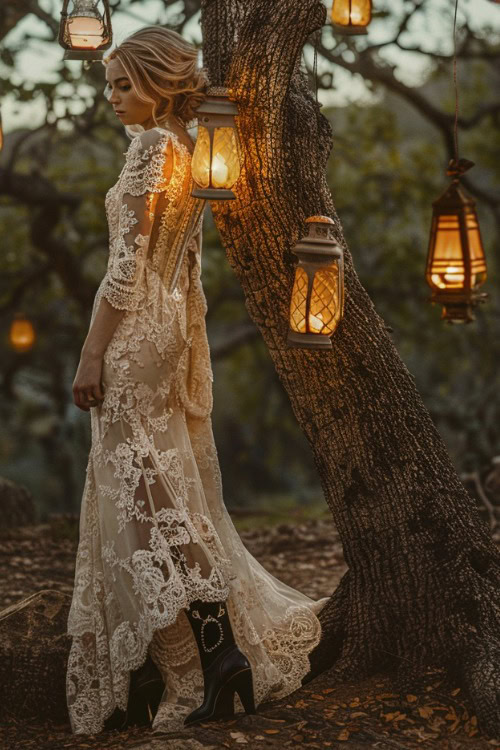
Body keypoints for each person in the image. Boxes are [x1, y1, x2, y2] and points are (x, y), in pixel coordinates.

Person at [66, 25, 329, 736]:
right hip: (163, 327)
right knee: (155, 492)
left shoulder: (155, 148)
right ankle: (190, 665)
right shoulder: (188, 148)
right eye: (110, 85)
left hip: (131, 335)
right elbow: (184, 272)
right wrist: (181, 344)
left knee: (145, 498)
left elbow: (127, 268)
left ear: (158, 83)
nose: (113, 97)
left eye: (125, 84)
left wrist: (92, 354)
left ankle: (207, 660)